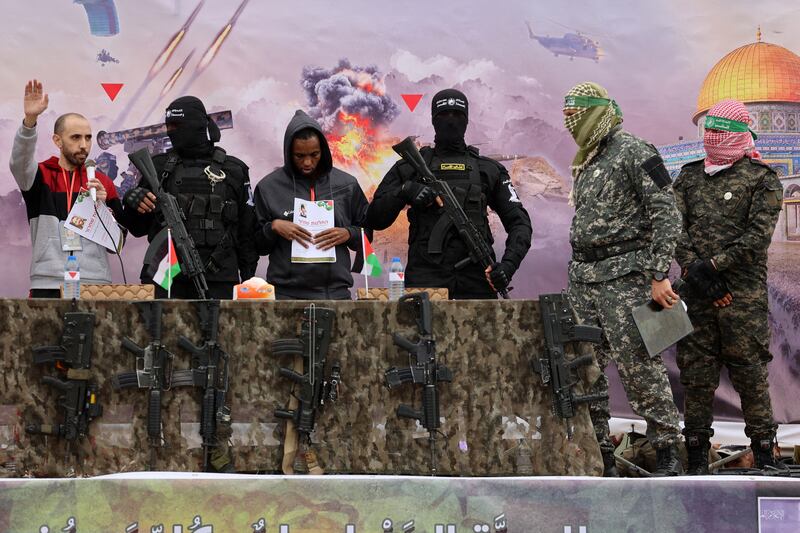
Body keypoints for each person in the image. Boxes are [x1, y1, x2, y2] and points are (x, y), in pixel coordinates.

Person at [562, 82, 683, 476]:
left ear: (596, 112)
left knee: (639, 365)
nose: (569, 122)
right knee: (584, 368)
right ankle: (600, 454)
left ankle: (666, 450)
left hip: (625, 278)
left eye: (574, 114)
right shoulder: (586, 159)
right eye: (565, 116)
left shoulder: (635, 150)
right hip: (584, 279)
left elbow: (667, 212)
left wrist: (659, 273)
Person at [673, 98, 787, 474]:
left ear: (739, 136)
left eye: (720, 132)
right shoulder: (688, 177)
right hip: (698, 296)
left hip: (740, 298)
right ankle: (694, 459)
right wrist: (697, 272)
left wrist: (712, 267)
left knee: (750, 374)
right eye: (708, 131)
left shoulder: (762, 179)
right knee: (697, 377)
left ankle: (766, 457)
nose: (712, 138)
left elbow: (756, 238)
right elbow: (675, 228)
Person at [365, 89, 532, 299]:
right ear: (433, 120)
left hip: (477, 281)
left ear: (467, 120)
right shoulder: (409, 167)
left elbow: (520, 224)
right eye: (443, 115)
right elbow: (374, 219)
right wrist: (406, 191)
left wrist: (507, 267)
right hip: (424, 283)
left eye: (458, 114)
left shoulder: (489, 170)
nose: (451, 121)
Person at [122, 96, 259, 299]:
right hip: (165, 277)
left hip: (218, 278)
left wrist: (248, 282)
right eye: (169, 126)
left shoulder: (234, 170)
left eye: (178, 125)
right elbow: (138, 228)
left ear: (197, 125)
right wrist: (132, 200)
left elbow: (247, 233)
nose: (172, 131)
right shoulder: (158, 167)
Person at [9, 79, 124, 298]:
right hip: (48, 282)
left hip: (96, 283)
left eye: (88, 137)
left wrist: (102, 209)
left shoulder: (103, 183)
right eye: (76, 137)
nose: (84, 145)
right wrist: (29, 122)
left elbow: (116, 245)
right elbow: (19, 162)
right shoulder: (40, 175)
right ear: (57, 140)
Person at [252, 109, 370, 300]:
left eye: (314, 154)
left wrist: (348, 233)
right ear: (288, 152)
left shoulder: (347, 184)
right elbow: (255, 245)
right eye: (299, 156)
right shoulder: (268, 187)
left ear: (323, 151)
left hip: (335, 295)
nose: (307, 162)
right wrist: (273, 227)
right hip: (286, 296)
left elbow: (367, 232)